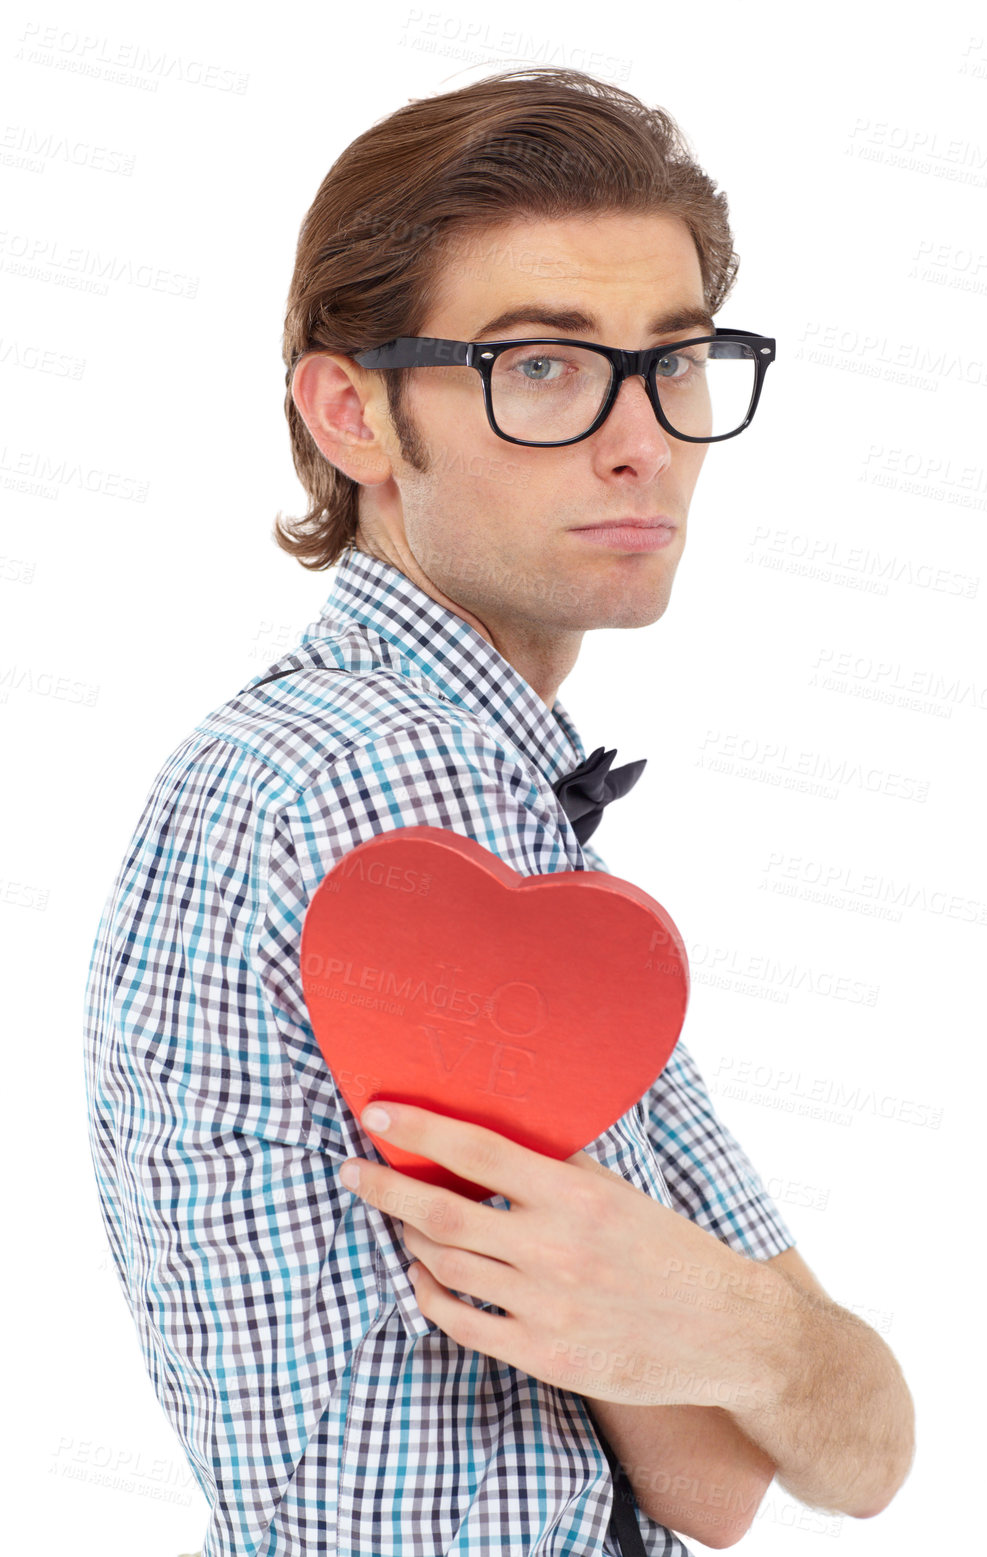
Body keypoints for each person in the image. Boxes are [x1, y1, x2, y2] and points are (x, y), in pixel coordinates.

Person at [83, 67, 914, 1556]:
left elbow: (859, 1436)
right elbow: (725, 1478)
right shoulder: (397, 791)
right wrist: (763, 1337)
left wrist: (753, 1334)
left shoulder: (384, 766)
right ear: (353, 413)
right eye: (540, 367)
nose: (641, 437)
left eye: (677, 359)